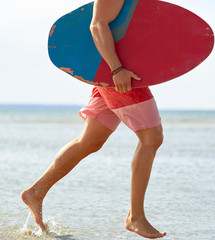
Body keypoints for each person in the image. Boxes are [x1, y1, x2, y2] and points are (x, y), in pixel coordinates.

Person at [21, 0, 166, 238]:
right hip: (118, 72)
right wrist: (116, 69)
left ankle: (36, 192)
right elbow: (97, 24)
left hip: (113, 70)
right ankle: (135, 217)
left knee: (91, 140)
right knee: (151, 137)